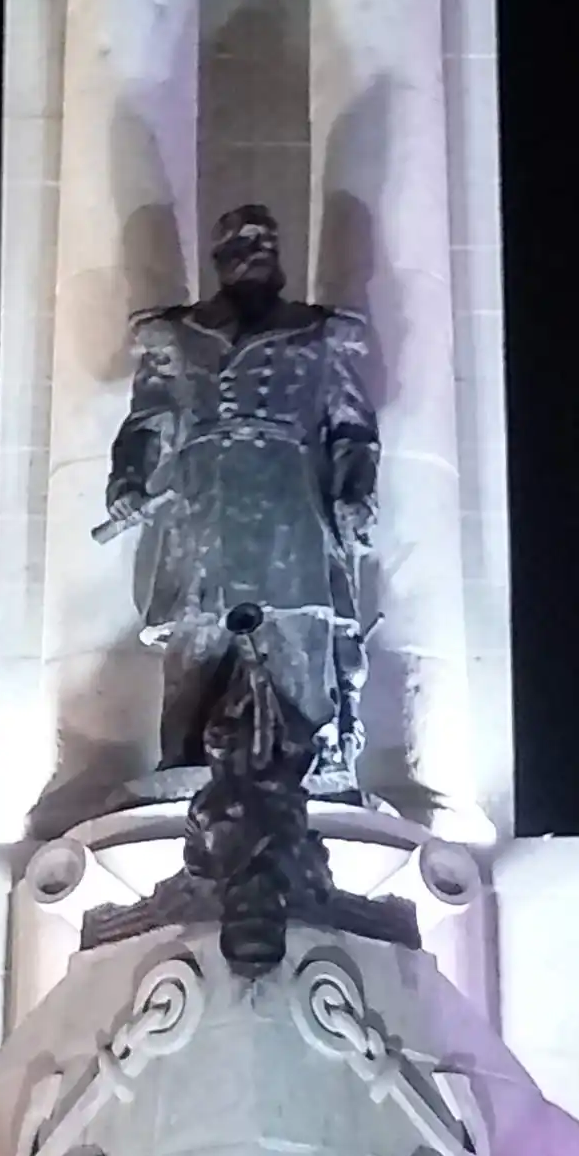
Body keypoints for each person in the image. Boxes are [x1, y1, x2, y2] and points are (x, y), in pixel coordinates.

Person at [101, 201, 376, 785]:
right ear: (219, 258)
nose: (256, 249)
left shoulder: (319, 335)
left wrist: (355, 491)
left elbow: (352, 429)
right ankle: (182, 764)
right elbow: (146, 422)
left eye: (266, 239)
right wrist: (126, 479)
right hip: (204, 507)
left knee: (297, 626)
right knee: (198, 635)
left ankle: (311, 762)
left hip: (289, 507)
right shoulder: (177, 336)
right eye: (242, 241)